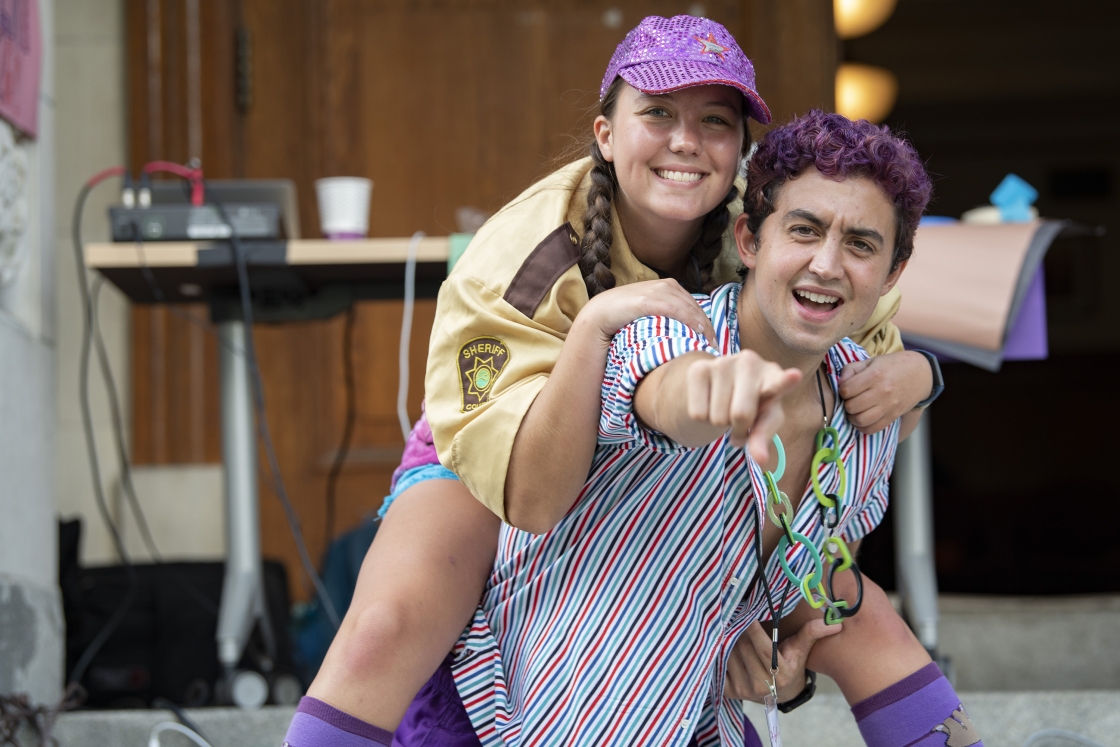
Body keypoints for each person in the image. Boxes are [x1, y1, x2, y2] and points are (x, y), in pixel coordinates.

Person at [283, 16, 942, 747]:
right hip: (507, 442)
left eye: (714, 122)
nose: (685, 141)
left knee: (860, 611)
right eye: (657, 113)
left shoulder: (789, 232)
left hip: (677, 492)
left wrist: (922, 375)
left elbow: (873, 390)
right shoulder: (524, 249)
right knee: (385, 624)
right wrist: (610, 335)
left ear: (741, 151)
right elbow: (532, 494)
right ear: (605, 132)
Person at [395, 110, 981, 747]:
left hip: (695, 722)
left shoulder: (864, 413)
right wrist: (711, 395)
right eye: (804, 231)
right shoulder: (667, 331)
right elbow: (664, 387)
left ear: (893, 274)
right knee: (383, 624)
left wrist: (785, 660)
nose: (827, 264)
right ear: (749, 242)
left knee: (861, 610)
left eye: (861, 245)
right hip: (517, 720)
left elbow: (817, 566)